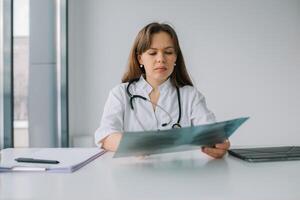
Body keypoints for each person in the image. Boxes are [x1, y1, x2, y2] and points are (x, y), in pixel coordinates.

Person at [94, 22, 230, 158]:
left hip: (179, 175)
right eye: (152, 53)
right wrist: (136, 144)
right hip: (134, 174)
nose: (161, 59)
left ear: (175, 57)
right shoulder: (120, 94)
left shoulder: (190, 96)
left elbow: (211, 132)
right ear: (140, 58)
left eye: (168, 52)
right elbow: (105, 135)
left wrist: (218, 144)